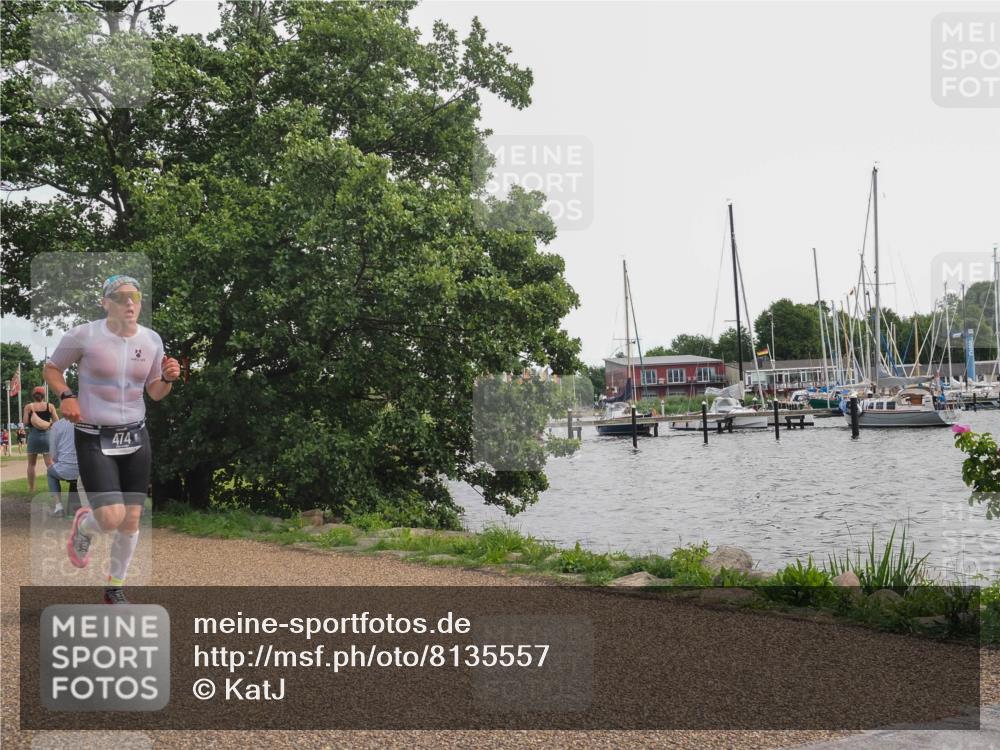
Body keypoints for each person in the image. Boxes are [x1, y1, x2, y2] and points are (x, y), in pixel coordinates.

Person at [45, 275, 180, 605]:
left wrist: (167, 378)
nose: (129, 302)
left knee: (131, 518)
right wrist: (67, 395)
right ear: (105, 303)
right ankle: (84, 526)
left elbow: (155, 392)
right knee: (109, 517)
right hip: (93, 435)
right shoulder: (83, 335)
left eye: (135, 296)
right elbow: (51, 369)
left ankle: (114, 588)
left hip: (135, 436)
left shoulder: (151, 340)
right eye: (120, 297)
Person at [23, 386, 57, 492]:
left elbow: (25, 423)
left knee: (31, 464)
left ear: (33, 395)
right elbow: (57, 422)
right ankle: (54, 488)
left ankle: (32, 489)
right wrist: (48, 424)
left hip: (33, 436)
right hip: (47, 436)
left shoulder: (28, 407)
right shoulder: (50, 406)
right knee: (50, 464)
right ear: (44, 395)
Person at [46, 416, 80, 517]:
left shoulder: (57, 426)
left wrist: (61, 462)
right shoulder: (87, 422)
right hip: (85, 469)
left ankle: (58, 508)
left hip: (65, 469)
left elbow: (53, 454)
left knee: (50, 472)